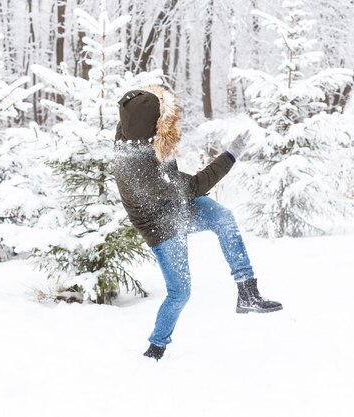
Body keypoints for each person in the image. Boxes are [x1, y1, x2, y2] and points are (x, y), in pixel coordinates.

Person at [113, 85, 283, 361]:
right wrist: (231, 154)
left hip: (177, 201)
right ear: (151, 125)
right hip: (161, 225)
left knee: (223, 218)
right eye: (162, 119)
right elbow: (194, 185)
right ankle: (156, 347)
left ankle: (247, 292)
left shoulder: (131, 132)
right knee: (180, 292)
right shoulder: (138, 169)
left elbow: (134, 105)